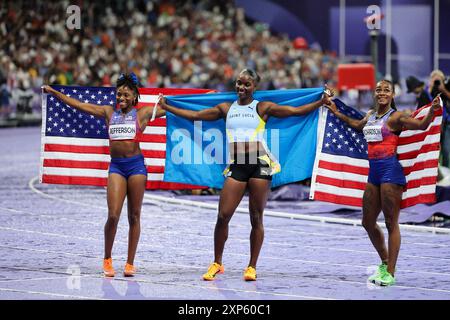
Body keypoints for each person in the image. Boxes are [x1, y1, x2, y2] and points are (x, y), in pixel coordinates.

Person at [159, 68, 333, 281]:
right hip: (237, 165)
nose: (241, 87)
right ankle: (217, 262)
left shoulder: (262, 107)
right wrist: (167, 106)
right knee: (223, 216)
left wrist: (320, 102)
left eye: (246, 84)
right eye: (239, 83)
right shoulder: (226, 108)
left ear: (254, 87)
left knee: (256, 217)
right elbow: (196, 115)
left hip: (260, 164)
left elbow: (295, 111)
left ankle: (251, 266)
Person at [42, 73, 166, 277]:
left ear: (135, 96)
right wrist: (55, 92)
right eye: (119, 94)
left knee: (134, 216)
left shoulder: (142, 114)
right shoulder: (109, 112)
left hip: (136, 168)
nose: (121, 98)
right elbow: (79, 105)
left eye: (126, 94)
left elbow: (173, 108)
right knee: (113, 215)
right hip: (117, 167)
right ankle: (107, 258)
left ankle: (129, 263)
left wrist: (174, 101)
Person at [324, 80, 441, 286]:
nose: (382, 93)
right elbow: (356, 125)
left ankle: (391, 273)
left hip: (390, 172)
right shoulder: (370, 116)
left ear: (393, 94)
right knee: (367, 222)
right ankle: (385, 262)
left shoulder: (395, 117)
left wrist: (432, 110)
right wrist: (335, 111)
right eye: (379, 89)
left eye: (386, 90)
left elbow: (421, 125)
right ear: (375, 93)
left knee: (390, 222)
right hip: (374, 174)